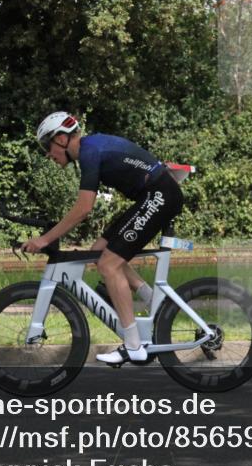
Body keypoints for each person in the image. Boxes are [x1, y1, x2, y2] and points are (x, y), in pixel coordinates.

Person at [21, 111, 183, 365]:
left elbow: (84, 208)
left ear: (62, 139)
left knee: (109, 264)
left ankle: (133, 346)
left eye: (47, 145)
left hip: (159, 195)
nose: (47, 153)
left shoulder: (89, 153)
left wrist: (43, 240)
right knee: (100, 252)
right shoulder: (89, 150)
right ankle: (155, 302)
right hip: (153, 195)